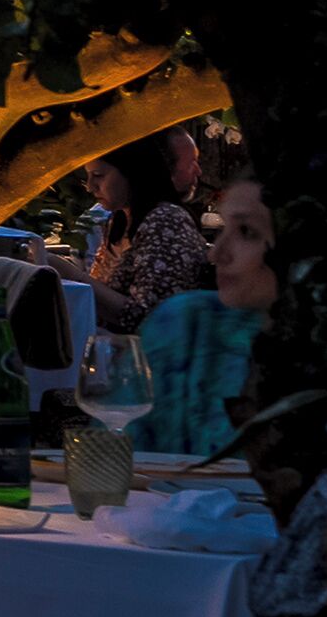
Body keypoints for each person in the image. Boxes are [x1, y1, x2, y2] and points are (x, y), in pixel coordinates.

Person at [135, 177, 271, 455]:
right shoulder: (184, 325)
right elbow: (114, 458)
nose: (217, 254)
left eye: (246, 231)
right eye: (224, 228)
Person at [52, 131, 213, 336]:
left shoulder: (165, 221)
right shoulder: (120, 220)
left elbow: (152, 319)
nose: (91, 187)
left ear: (132, 172)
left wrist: (69, 274)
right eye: (89, 177)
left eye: (99, 176)